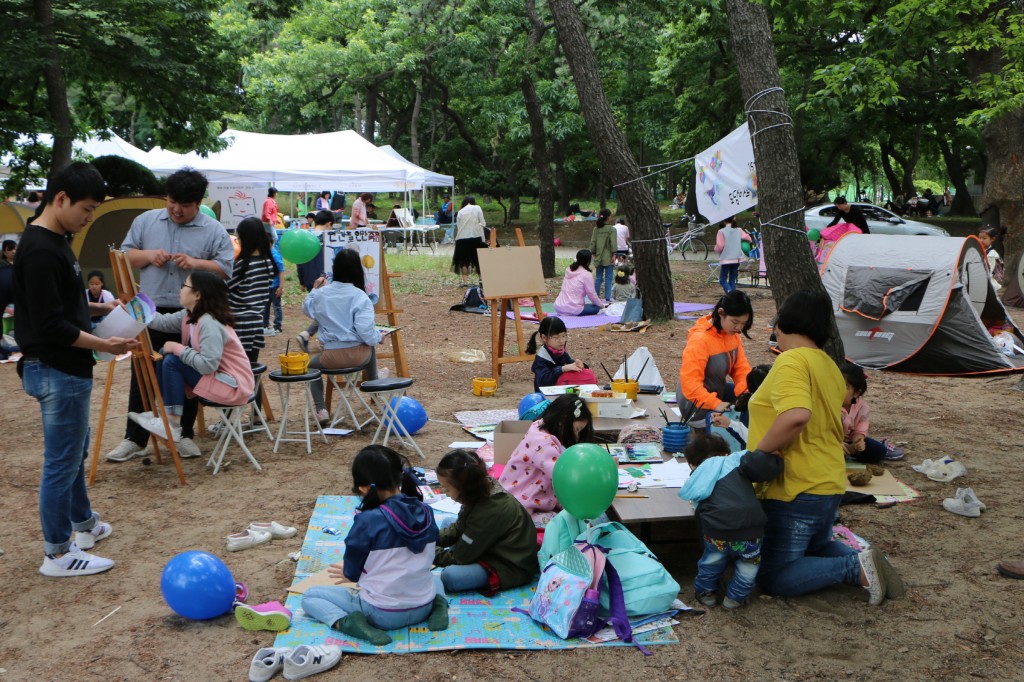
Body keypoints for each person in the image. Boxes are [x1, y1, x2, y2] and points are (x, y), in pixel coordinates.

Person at [14, 161, 138, 577]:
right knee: (62, 461)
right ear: (61, 198)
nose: (88, 218)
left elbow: (59, 304)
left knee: (74, 451)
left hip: (66, 368)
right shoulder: (39, 249)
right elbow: (50, 323)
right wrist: (105, 343)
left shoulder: (55, 240)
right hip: (56, 368)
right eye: (86, 209)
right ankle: (58, 553)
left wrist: (103, 307)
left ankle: (84, 523)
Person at [748, 291, 903, 605]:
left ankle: (854, 567)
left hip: (795, 485)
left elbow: (796, 416)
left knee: (775, 576)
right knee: (817, 545)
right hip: (829, 479)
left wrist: (758, 454)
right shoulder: (831, 367)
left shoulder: (791, 360)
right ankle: (870, 562)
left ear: (784, 322)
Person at [106, 168, 234, 463]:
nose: (176, 209)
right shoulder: (145, 221)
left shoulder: (212, 230)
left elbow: (225, 269)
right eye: (172, 201)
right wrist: (149, 256)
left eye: (185, 205)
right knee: (142, 374)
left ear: (198, 203)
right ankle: (134, 439)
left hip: (190, 314)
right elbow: (124, 257)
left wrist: (196, 263)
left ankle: (184, 434)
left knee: (187, 376)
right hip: (148, 309)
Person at [301, 446, 448, 646]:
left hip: (383, 615)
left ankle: (346, 623)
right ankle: (439, 605)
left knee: (310, 597)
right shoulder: (426, 511)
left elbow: (353, 573)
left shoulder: (367, 521)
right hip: (423, 605)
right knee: (433, 578)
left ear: (363, 488)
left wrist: (350, 572)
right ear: (400, 478)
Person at [128, 271, 255, 453]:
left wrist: (178, 348)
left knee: (172, 359)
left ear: (197, 294)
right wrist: (134, 307)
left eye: (184, 286)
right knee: (168, 358)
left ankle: (171, 423)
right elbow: (161, 322)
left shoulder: (209, 323)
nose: (180, 290)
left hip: (233, 386)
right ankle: (167, 419)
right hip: (219, 379)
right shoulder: (189, 316)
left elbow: (207, 365)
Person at [678, 433, 783, 609]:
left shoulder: (698, 474)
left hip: (717, 529)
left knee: (712, 560)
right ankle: (735, 598)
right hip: (752, 527)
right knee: (748, 564)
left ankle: (707, 594)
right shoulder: (737, 459)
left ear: (692, 463)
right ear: (726, 452)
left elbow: (697, 506)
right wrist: (777, 459)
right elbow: (764, 466)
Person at [434, 449, 539, 594]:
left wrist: (428, 553)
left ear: (463, 488)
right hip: (490, 544)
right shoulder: (479, 488)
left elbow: (460, 558)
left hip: (509, 564)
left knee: (450, 576)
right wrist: (428, 539)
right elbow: (460, 526)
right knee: (446, 523)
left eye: (447, 489)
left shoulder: (488, 511)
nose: (446, 493)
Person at [303, 248, 382, 423]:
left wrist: (315, 288)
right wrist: (379, 337)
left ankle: (321, 409)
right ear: (357, 271)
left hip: (330, 358)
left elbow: (307, 308)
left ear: (335, 269)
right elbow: (367, 334)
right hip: (359, 357)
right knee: (370, 345)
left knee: (310, 367)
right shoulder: (360, 296)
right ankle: (374, 385)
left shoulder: (322, 294)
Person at [498, 394, 595, 527]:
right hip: (519, 510)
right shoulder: (544, 444)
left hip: (523, 502)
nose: (577, 437)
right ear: (563, 421)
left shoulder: (541, 428)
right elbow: (564, 477)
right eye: (577, 430)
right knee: (570, 522)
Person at [678, 290, 753, 423]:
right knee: (744, 417)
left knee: (753, 402)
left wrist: (746, 392)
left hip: (716, 392)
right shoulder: (700, 339)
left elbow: (741, 369)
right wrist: (716, 404)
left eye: (743, 323)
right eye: (735, 322)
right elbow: (690, 383)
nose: (739, 328)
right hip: (695, 404)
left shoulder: (732, 335)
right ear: (721, 313)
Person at [228, 217, 277, 364]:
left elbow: (224, 288)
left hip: (238, 322)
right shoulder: (268, 262)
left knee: (236, 368)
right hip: (256, 321)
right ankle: (254, 388)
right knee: (251, 367)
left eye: (238, 238)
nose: (237, 241)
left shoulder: (242, 265)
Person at [839, 363, 903, 463]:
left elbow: (859, 431)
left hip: (849, 441)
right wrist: (836, 444)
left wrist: (859, 442)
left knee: (878, 450)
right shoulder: (829, 404)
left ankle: (850, 454)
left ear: (856, 393)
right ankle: (843, 455)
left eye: (845, 386)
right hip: (830, 442)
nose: (838, 389)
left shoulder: (862, 407)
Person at [294, 210, 334, 353]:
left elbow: (298, 260)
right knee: (328, 311)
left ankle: (308, 335)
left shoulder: (306, 238)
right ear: (329, 223)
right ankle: (308, 335)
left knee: (324, 310)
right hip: (325, 279)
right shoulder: (328, 239)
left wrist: (302, 280)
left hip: (311, 280)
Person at [526, 315, 596, 390]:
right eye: (556, 337)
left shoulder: (561, 353)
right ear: (544, 338)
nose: (561, 340)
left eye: (564, 336)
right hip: (545, 396)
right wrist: (562, 369)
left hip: (561, 390)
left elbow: (570, 363)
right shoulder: (541, 359)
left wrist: (580, 365)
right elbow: (543, 382)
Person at [710, 363, 771, 448]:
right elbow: (752, 440)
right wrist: (729, 423)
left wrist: (729, 423)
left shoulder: (752, 405)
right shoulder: (754, 408)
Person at [554, 249, 605, 317]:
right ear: (588, 261)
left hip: (558, 306)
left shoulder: (569, 269)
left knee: (591, 304)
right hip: (573, 308)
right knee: (596, 307)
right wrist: (601, 305)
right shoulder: (586, 274)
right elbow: (591, 294)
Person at [450, 196, 487, 287]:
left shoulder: (460, 212)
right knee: (479, 259)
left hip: (462, 238)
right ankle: (481, 279)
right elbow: (483, 223)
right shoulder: (477, 208)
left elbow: (459, 227)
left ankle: (465, 282)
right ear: (473, 202)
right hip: (476, 237)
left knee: (463, 261)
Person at [714, 216, 752, 294]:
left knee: (722, 280)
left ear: (724, 221)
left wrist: (715, 249)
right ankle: (733, 295)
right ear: (733, 219)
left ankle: (730, 294)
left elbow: (720, 246)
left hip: (726, 258)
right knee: (732, 279)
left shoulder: (721, 231)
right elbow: (749, 238)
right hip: (737, 258)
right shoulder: (739, 230)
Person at [589, 208, 616, 301]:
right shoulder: (612, 229)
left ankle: (596, 297)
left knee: (598, 277)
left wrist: (593, 253)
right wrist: (614, 254)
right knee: (609, 278)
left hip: (598, 256)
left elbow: (593, 242)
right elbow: (613, 243)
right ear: (608, 217)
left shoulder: (596, 229)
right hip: (608, 256)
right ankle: (608, 297)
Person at [262, 236, 285, 336]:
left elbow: (281, 271)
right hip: (266, 285)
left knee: (276, 306)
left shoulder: (275, 255)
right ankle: (264, 325)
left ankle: (277, 327)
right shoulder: (264, 254)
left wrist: (281, 286)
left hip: (274, 285)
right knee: (265, 306)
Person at [979, 226, 1003, 292]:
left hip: (987, 283)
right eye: (980, 238)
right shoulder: (979, 250)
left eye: (984, 238)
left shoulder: (992, 254)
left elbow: (989, 271)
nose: (981, 240)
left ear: (992, 239)